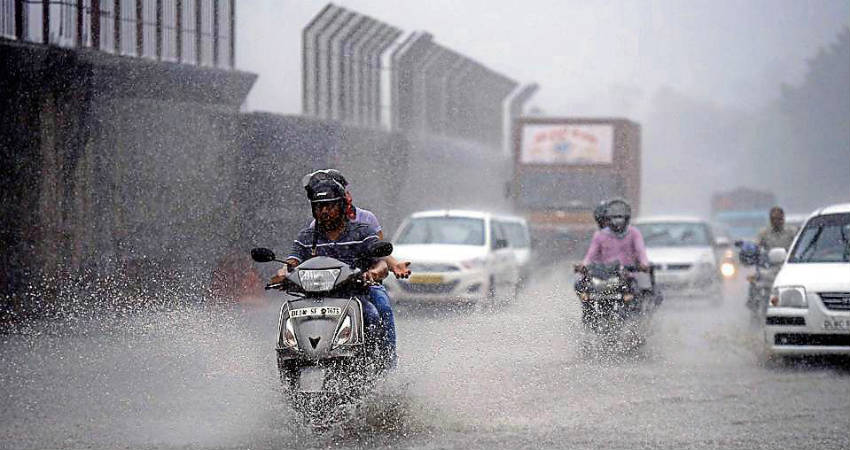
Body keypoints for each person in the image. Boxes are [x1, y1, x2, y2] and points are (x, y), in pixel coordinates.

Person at [273, 178, 398, 366]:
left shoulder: (362, 232)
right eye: (319, 207)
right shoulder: (306, 236)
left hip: (354, 295)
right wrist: (283, 273)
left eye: (329, 206)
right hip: (312, 297)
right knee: (290, 319)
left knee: (372, 314)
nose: (324, 211)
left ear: (341, 206)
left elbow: (381, 263)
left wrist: (372, 274)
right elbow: (292, 261)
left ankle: (377, 366)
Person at [302, 169, 411, 279]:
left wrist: (393, 265)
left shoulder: (366, 220)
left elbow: (379, 255)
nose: (325, 212)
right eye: (321, 205)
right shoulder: (314, 228)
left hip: (363, 283)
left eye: (330, 204)